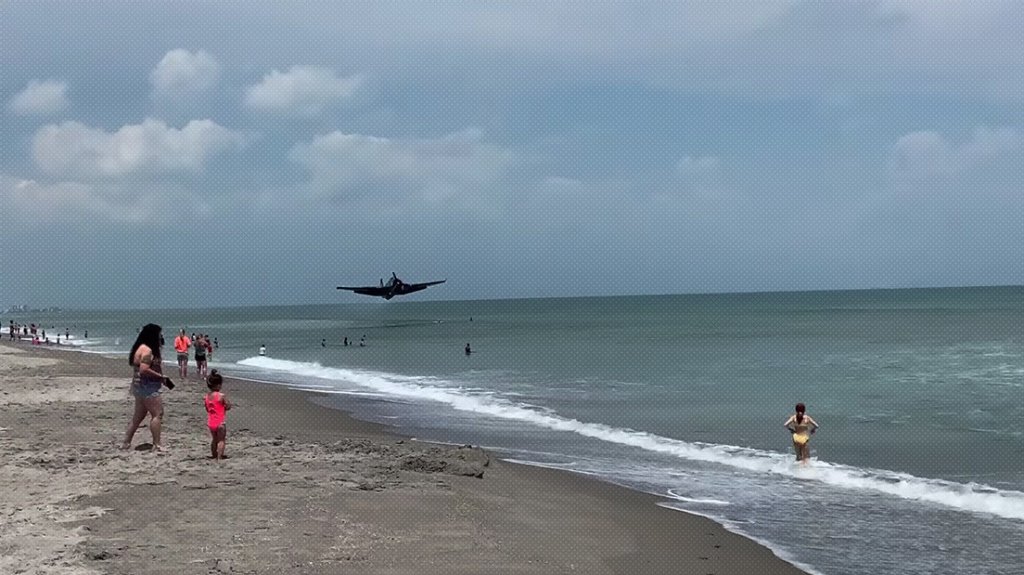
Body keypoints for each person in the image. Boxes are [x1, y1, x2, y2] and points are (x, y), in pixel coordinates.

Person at [122, 323, 172, 452]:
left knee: (138, 416)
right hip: (148, 387)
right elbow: (144, 369)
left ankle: (126, 442)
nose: (160, 337)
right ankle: (157, 444)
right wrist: (161, 377)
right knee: (157, 414)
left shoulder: (139, 348)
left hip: (138, 386)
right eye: (159, 334)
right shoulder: (147, 351)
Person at [204, 369, 232, 460]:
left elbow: (207, 409)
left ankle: (214, 454)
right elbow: (228, 406)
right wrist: (226, 406)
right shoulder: (221, 396)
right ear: (219, 385)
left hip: (211, 422)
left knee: (214, 440)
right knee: (221, 440)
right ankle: (219, 457)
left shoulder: (207, 397)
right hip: (220, 422)